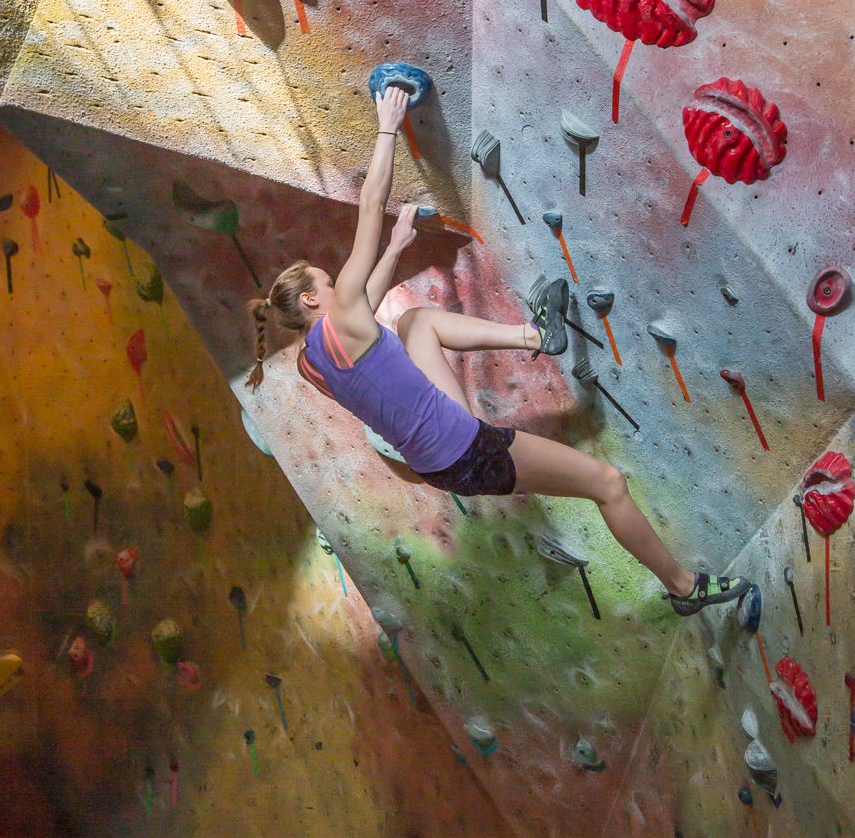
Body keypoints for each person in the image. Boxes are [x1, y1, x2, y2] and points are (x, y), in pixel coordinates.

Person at [245, 85, 749, 615]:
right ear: (312, 299)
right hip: (466, 450)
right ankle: (683, 587)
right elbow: (369, 206)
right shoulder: (344, 315)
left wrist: (396, 245)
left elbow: (368, 306)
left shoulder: (310, 363)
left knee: (415, 322)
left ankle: (537, 336)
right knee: (609, 483)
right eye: (327, 283)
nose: (336, 283)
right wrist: (388, 125)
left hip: (437, 460)